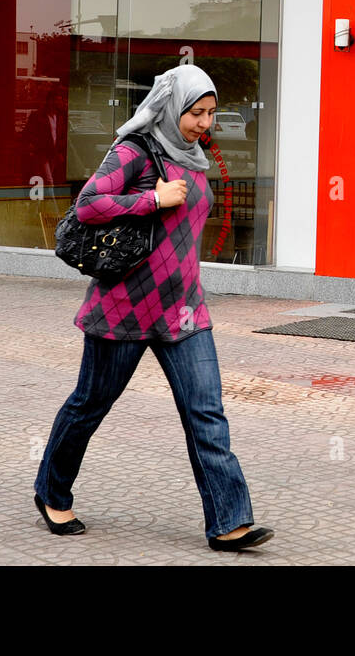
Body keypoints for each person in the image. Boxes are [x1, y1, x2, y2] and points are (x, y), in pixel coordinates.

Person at [33, 63, 272, 551]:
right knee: (89, 405)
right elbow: (88, 205)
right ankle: (51, 491)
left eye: (211, 113)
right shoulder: (135, 151)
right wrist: (151, 199)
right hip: (124, 307)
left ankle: (229, 523)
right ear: (170, 108)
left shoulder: (194, 157)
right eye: (196, 114)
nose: (206, 124)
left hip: (184, 311)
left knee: (206, 413)